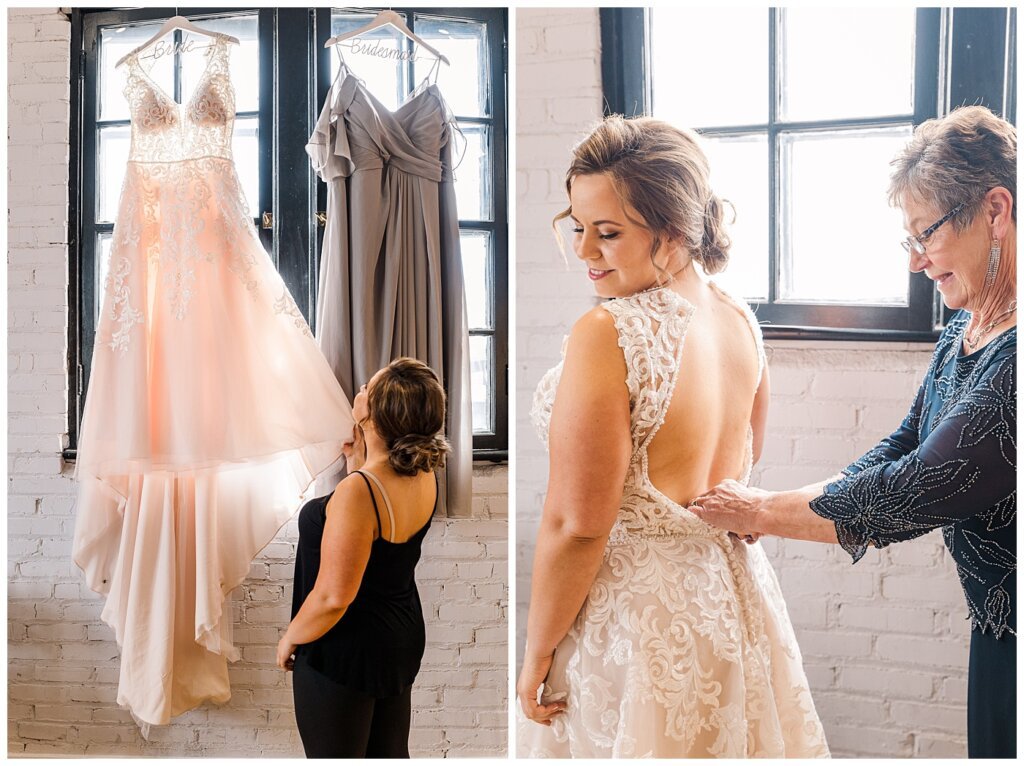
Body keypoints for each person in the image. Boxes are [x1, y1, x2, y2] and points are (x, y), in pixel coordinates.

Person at [691, 105, 1016, 759]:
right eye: (910, 240)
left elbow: (915, 490)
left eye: (927, 233)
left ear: (996, 210)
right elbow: (902, 446)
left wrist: (761, 510)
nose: (919, 260)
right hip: (998, 626)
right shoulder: (967, 328)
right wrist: (775, 509)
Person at [516, 115, 829, 757]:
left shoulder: (608, 332)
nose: (585, 252)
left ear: (676, 231)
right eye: (577, 228)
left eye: (608, 233)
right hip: (730, 605)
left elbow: (578, 523)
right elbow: (741, 463)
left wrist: (537, 650)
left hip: (635, 621)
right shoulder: (739, 319)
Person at [276, 357, 450, 758]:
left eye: (365, 389)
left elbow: (334, 596)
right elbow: (375, 543)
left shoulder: (360, 492)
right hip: (398, 638)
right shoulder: (422, 473)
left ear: (373, 413)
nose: (358, 392)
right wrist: (358, 463)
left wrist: (290, 638)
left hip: (347, 650)